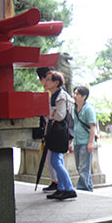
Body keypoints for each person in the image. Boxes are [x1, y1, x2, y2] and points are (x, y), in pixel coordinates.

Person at [43, 70, 77, 199]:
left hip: (60, 133)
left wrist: (49, 113)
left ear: (56, 82)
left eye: (48, 79)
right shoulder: (55, 95)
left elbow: (60, 115)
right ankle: (62, 188)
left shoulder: (61, 96)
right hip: (57, 132)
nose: (45, 82)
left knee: (55, 161)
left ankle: (68, 188)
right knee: (57, 160)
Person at [37, 66, 60, 192]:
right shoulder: (50, 94)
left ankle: (58, 182)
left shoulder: (53, 95)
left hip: (53, 130)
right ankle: (56, 181)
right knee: (51, 159)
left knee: (54, 159)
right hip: (48, 130)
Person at [71, 85, 97, 192]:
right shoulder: (74, 108)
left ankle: (83, 189)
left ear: (84, 96)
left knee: (83, 167)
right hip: (77, 141)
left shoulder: (88, 109)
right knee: (80, 167)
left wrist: (90, 142)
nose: (74, 96)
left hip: (85, 141)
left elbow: (92, 126)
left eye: (77, 94)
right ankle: (89, 188)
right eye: (75, 93)